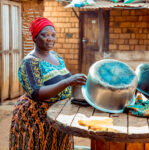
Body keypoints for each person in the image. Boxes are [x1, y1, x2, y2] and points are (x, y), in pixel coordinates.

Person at [9, 17, 87, 150]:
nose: (50, 38)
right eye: (44, 35)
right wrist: (68, 81)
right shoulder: (30, 62)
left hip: (58, 115)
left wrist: (81, 81)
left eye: (53, 35)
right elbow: (37, 93)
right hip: (36, 119)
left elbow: (67, 78)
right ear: (35, 38)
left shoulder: (57, 57)